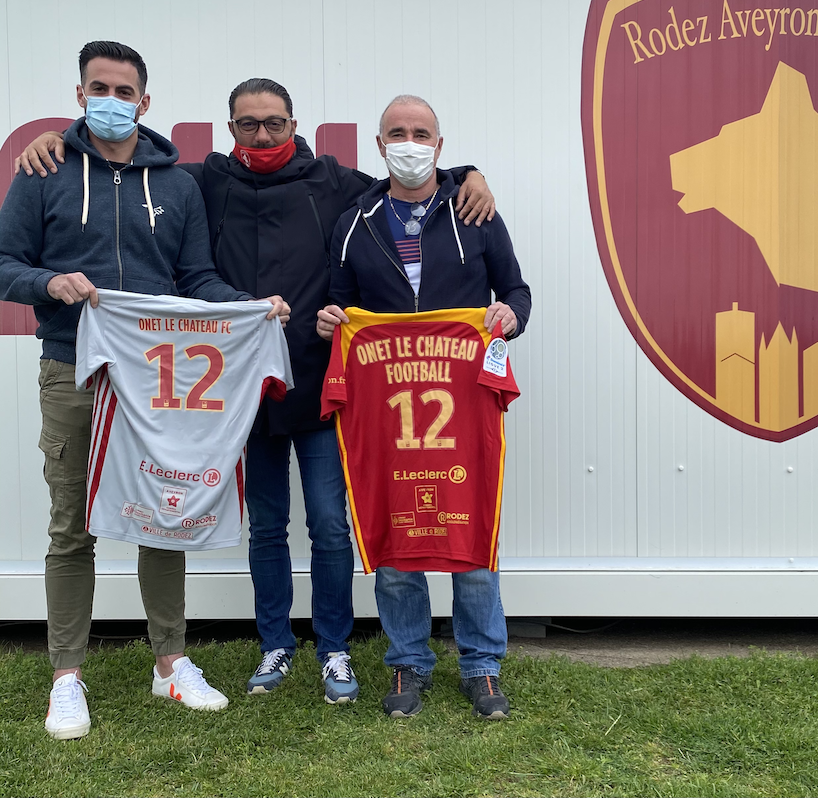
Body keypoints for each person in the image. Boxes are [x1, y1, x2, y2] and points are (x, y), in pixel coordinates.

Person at [16, 79, 495, 704]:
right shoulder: (206, 180)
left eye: (274, 123)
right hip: (243, 390)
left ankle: (334, 648)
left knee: (330, 525)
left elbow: (405, 183)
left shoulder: (333, 181)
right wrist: (60, 138)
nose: (263, 135)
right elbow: (127, 165)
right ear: (230, 129)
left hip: (318, 383)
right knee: (266, 526)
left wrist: (466, 175)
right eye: (249, 124)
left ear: (295, 124)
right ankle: (276, 643)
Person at [0, 41, 289, 740]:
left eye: (124, 91)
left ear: (145, 101)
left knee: (164, 513)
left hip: (159, 380)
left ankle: (171, 662)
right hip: (73, 368)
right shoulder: (44, 170)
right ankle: (66, 676)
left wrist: (250, 308)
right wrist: (49, 282)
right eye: (98, 87)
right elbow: (5, 264)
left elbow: (196, 279)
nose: (111, 100)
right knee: (72, 525)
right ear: (80, 95)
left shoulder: (178, 184)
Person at [317, 94, 529, 720]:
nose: (408, 143)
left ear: (440, 145)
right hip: (389, 407)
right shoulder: (355, 222)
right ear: (379, 145)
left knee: (471, 531)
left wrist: (509, 316)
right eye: (396, 133)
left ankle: (482, 665)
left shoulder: (474, 208)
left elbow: (516, 289)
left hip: (461, 401)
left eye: (420, 133)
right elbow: (340, 302)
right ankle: (407, 660)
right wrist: (333, 323)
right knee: (397, 534)